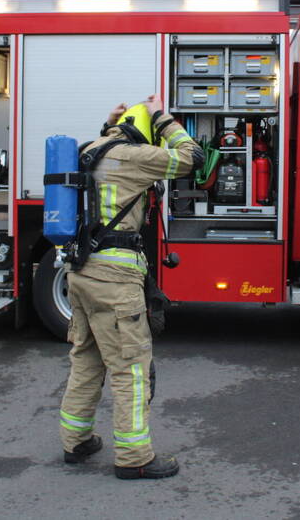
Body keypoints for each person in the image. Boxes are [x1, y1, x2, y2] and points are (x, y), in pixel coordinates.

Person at [59, 95, 201, 480]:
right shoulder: (136, 156)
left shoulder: (90, 149)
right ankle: (134, 457)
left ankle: (76, 440)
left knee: (86, 358)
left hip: (80, 273)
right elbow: (192, 158)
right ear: (144, 132)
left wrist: (110, 123)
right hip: (114, 279)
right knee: (130, 368)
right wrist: (164, 118)